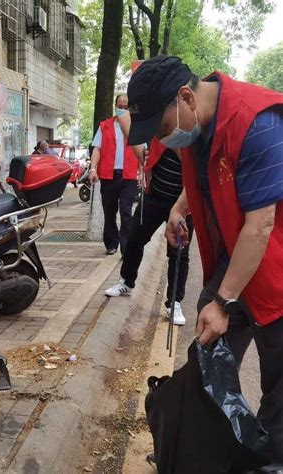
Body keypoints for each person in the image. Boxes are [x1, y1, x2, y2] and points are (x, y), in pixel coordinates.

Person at [127, 55, 283, 468]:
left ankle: (266, 462)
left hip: (277, 266)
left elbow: (261, 225)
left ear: (185, 98)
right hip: (239, 257)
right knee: (207, 362)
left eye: (162, 129)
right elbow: (204, 181)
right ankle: (204, 449)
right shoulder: (193, 127)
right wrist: (181, 208)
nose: (164, 139)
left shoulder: (257, 123)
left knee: (280, 387)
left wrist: (224, 300)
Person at [105, 138, 194, 326]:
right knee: (134, 239)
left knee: (179, 254)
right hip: (154, 198)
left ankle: (174, 303)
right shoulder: (160, 130)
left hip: (184, 204)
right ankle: (127, 281)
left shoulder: (195, 136)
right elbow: (134, 132)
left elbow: (193, 165)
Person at [89, 93, 142, 255]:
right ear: (115, 106)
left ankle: (126, 247)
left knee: (126, 212)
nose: (123, 109)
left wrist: (142, 172)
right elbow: (97, 148)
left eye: (126, 107)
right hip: (108, 176)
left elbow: (142, 151)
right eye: (120, 106)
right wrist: (93, 168)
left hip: (129, 177)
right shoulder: (105, 126)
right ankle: (111, 244)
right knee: (109, 211)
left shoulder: (136, 126)